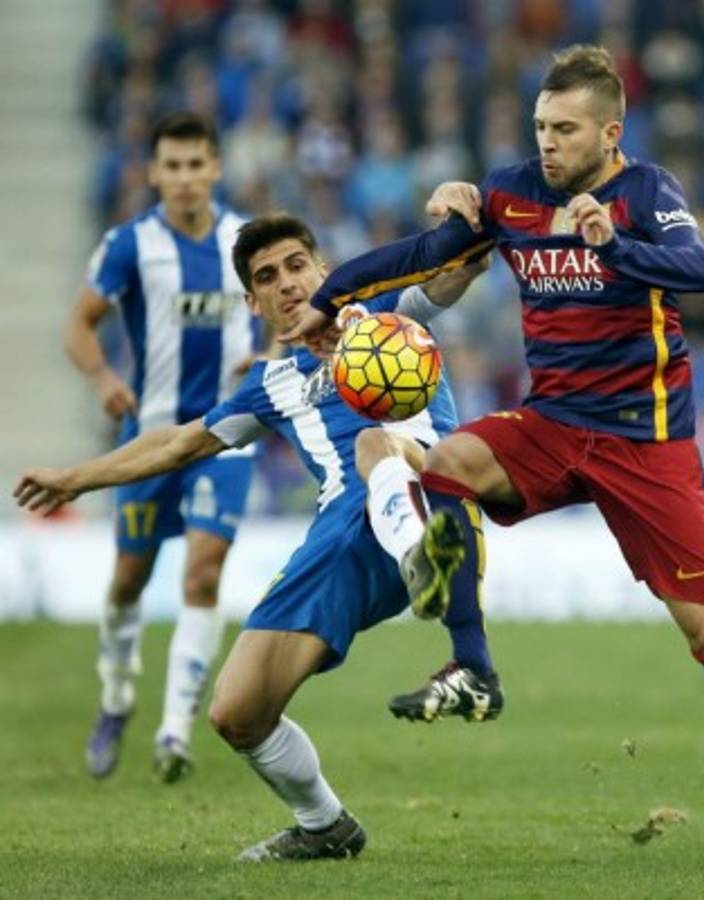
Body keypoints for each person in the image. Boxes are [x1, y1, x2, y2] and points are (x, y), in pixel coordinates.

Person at [277, 45, 704, 846]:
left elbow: (700, 268)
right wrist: (329, 297)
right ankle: (473, 668)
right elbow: (424, 256)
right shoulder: (512, 193)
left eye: (564, 129)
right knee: (450, 463)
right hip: (553, 423)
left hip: (647, 439)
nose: (547, 143)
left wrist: (614, 247)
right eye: (540, 126)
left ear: (611, 131)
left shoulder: (646, 193)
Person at [16, 213, 486, 860]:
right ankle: (325, 826)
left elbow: (465, 266)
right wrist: (77, 478)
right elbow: (182, 442)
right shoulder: (270, 384)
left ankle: (421, 554)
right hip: (340, 537)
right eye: (267, 277)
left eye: (297, 265)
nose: (287, 283)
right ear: (253, 302)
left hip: (424, 488)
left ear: (323, 269)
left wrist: (458, 211)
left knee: (378, 442)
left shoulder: (379, 308)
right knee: (236, 714)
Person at [64, 111, 261, 782]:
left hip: (226, 435)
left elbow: (289, 315)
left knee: (203, 572)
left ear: (215, 168)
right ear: (153, 173)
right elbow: (80, 325)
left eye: (194, 164)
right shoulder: (129, 245)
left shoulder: (246, 240)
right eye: (170, 167)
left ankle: (175, 728)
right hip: (149, 438)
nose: (183, 179)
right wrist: (102, 376)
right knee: (129, 578)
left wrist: (270, 354)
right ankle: (117, 694)